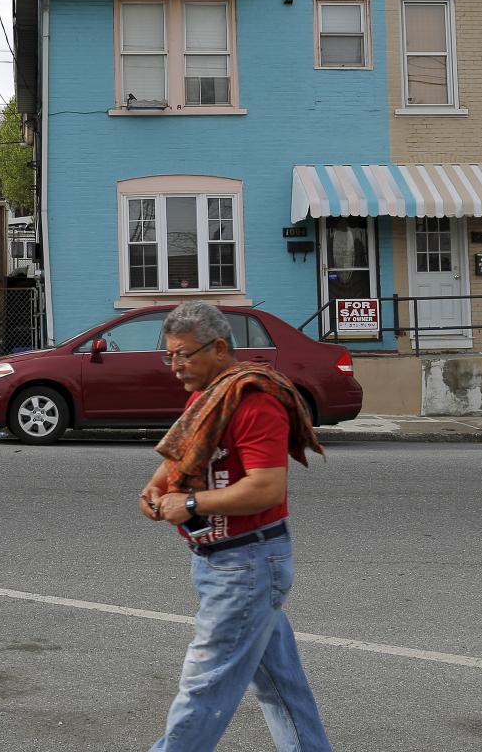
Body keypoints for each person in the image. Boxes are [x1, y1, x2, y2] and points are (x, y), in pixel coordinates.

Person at [138, 301, 331, 752]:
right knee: (281, 687)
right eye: (169, 356)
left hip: (247, 566)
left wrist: (189, 502)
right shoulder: (207, 398)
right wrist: (152, 487)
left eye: (184, 355)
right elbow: (181, 456)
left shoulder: (254, 402)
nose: (175, 366)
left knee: (203, 689)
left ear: (219, 347)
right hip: (225, 563)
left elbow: (266, 489)